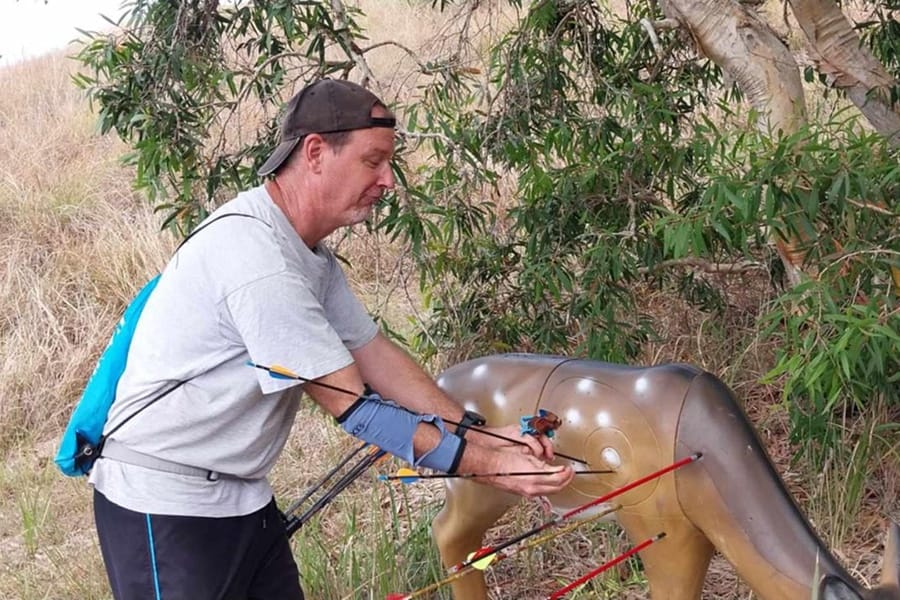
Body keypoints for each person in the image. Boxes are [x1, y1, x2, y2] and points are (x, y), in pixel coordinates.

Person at [89, 78, 574, 600]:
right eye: (373, 161)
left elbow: (375, 355)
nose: (388, 180)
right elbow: (359, 408)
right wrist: (491, 465)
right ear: (315, 151)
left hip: (243, 500)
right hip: (165, 507)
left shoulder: (308, 252)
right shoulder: (256, 258)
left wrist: (486, 436)